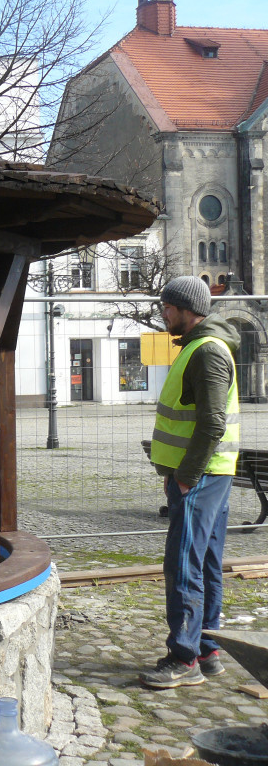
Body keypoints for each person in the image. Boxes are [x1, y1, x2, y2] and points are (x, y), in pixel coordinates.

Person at [141, 276, 239, 689]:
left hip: (199, 476)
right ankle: (206, 648)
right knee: (206, 561)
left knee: (183, 563)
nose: (163, 313)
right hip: (207, 474)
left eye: (168, 306)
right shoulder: (200, 347)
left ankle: (184, 659)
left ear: (186, 309)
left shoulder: (206, 351)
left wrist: (185, 476)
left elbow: (212, 422)